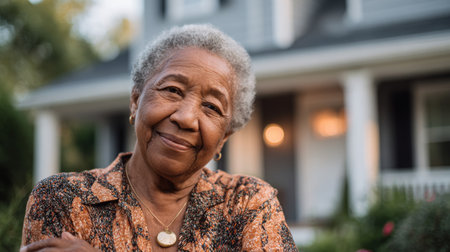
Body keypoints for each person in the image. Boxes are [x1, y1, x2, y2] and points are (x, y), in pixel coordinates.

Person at [21, 24, 297, 251]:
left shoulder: (248, 204)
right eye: (173, 90)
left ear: (224, 137)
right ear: (135, 101)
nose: (186, 118)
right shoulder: (65, 199)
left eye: (212, 107)